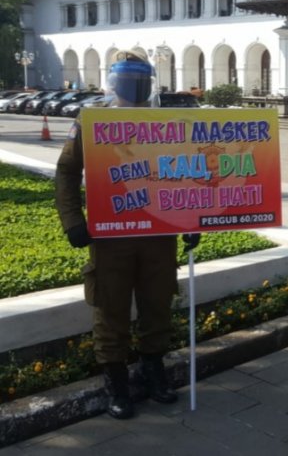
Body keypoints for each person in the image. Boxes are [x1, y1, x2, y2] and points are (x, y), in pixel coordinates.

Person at [55, 48, 201, 420]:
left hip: (158, 232)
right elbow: (67, 173)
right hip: (110, 235)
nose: (133, 88)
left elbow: (188, 173)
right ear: (113, 81)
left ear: (149, 83)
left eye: (140, 81)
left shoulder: (167, 122)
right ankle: (116, 380)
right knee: (111, 308)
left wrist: (194, 220)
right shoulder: (92, 121)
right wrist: (73, 220)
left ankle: (152, 369)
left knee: (157, 306)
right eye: (127, 81)